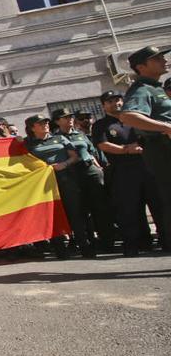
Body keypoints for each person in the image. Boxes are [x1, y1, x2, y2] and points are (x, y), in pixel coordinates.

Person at [92, 90, 165, 256]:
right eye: (109, 101)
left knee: (158, 206)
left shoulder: (135, 120)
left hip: (147, 168)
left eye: (117, 100)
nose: (115, 104)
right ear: (103, 106)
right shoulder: (101, 125)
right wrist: (126, 149)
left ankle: (166, 241)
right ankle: (135, 245)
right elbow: (103, 145)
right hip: (123, 171)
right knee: (130, 210)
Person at [119, 45, 171, 251]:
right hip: (162, 149)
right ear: (141, 67)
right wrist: (166, 127)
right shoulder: (141, 89)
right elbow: (128, 116)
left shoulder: (156, 88)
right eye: (157, 58)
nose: (163, 60)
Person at [23, 114, 94, 259]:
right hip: (44, 185)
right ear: (32, 128)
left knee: (75, 213)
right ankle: (60, 249)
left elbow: (74, 156)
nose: (45, 125)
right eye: (40, 123)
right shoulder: (28, 144)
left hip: (66, 180)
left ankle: (84, 246)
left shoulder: (60, 138)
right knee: (52, 215)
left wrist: (64, 164)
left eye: (46, 122)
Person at [52, 108, 114, 252]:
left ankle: (107, 241)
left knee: (100, 206)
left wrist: (99, 169)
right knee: (79, 210)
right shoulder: (55, 139)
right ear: (57, 121)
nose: (69, 119)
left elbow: (92, 152)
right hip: (72, 174)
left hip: (90, 171)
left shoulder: (80, 134)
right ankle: (87, 241)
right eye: (65, 117)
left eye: (70, 117)